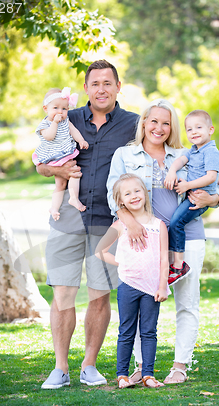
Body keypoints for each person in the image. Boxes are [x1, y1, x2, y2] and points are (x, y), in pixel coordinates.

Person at [107, 99, 219, 384]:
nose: (159, 128)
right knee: (139, 303)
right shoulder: (125, 155)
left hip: (189, 237)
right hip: (144, 240)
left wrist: (214, 198)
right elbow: (112, 197)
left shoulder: (187, 154)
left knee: (187, 302)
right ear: (144, 123)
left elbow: (213, 187)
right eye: (153, 121)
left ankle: (180, 366)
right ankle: (141, 365)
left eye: (166, 123)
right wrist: (131, 223)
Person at [37, 61, 139, 388]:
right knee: (63, 294)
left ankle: (89, 365)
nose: (101, 89)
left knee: (99, 296)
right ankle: (61, 368)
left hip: (107, 223)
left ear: (118, 87)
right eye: (95, 83)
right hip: (67, 218)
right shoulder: (67, 116)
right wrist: (60, 172)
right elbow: (40, 164)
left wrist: (215, 188)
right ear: (85, 88)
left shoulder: (133, 124)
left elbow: (160, 156)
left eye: (108, 83)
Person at [96, 174, 168, 388]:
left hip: (152, 287)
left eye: (137, 191)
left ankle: (148, 375)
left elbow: (164, 258)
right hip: (128, 284)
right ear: (121, 202)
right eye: (127, 194)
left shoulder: (159, 225)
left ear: (145, 193)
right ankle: (122, 375)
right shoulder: (120, 225)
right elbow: (100, 251)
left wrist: (163, 285)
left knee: (149, 331)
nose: (134, 196)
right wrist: (121, 263)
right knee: (126, 330)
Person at [164, 109, 219, 285]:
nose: (194, 132)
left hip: (199, 197)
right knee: (176, 222)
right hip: (192, 193)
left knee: (176, 222)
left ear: (210, 129)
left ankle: (178, 265)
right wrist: (172, 171)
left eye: (199, 127)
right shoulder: (194, 150)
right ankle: (176, 262)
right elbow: (180, 160)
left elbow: (211, 177)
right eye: (189, 129)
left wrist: (187, 186)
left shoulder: (211, 152)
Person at [33, 87, 89, 219]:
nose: (60, 112)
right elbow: (49, 136)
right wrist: (55, 123)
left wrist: (81, 140)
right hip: (55, 156)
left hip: (65, 154)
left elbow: (73, 130)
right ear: (46, 109)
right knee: (70, 176)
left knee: (65, 181)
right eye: (56, 108)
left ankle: (58, 206)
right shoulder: (44, 125)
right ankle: (66, 201)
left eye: (64, 109)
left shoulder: (65, 121)